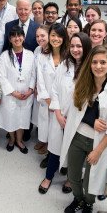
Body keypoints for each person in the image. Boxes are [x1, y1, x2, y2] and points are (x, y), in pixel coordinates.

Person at [61, 45, 107, 213]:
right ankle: (78, 199)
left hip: (99, 143)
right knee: (73, 176)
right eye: (95, 62)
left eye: (103, 62)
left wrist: (97, 151)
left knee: (91, 180)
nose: (98, 66)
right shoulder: (82, 84)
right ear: (89, 64)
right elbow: (74, 111)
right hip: (77, 137)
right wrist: (91, 121)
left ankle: (88, 204)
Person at [39, 32, 92, 195]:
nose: (75, 49)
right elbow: (54, 89)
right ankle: (48, 177)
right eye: (73, 46)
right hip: (59, 116)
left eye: (79, 46)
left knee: (73, 152)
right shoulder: (65, 65)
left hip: (78, 120)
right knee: (55, 148)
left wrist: (72, 118)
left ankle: (70, 178)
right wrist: (58, 113)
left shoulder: (91, 67)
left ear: (86, 47)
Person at [0, 25, 36, 154]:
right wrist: (13, 93)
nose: (17, 38)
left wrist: (30, 89)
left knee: (22, 119)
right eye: (13, 36)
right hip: (10, 95)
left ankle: (19, 141)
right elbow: (1, 77)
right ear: (10, 39)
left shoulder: (30, 55)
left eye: (19, 35)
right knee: (10, 118)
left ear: (23, 38)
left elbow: (34, 74)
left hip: (26, 94)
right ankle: (12, 139)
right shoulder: (4, 56)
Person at [36, 23, 68, 168]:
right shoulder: (42, 56)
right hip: (47, 101)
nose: (56, 39)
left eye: (59, 36)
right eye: (53, 35)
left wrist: (57, 104)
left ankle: (63, 160)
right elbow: (40, 80)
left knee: (61, 133)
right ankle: (50, 156)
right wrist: (48, 100)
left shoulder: (69, 56)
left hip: (64, 103)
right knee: (49, 131)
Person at [31, 25, 50, 143]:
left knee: (48, 120)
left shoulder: (53, 51)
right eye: (37, 36)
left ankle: (47, 143)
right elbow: (34, 70)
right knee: (40, 118)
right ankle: (42, 141)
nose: (40, 38)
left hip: (47, 90)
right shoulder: (37, 50)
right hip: (37, 88)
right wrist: (34, 86)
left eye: (43, 35)